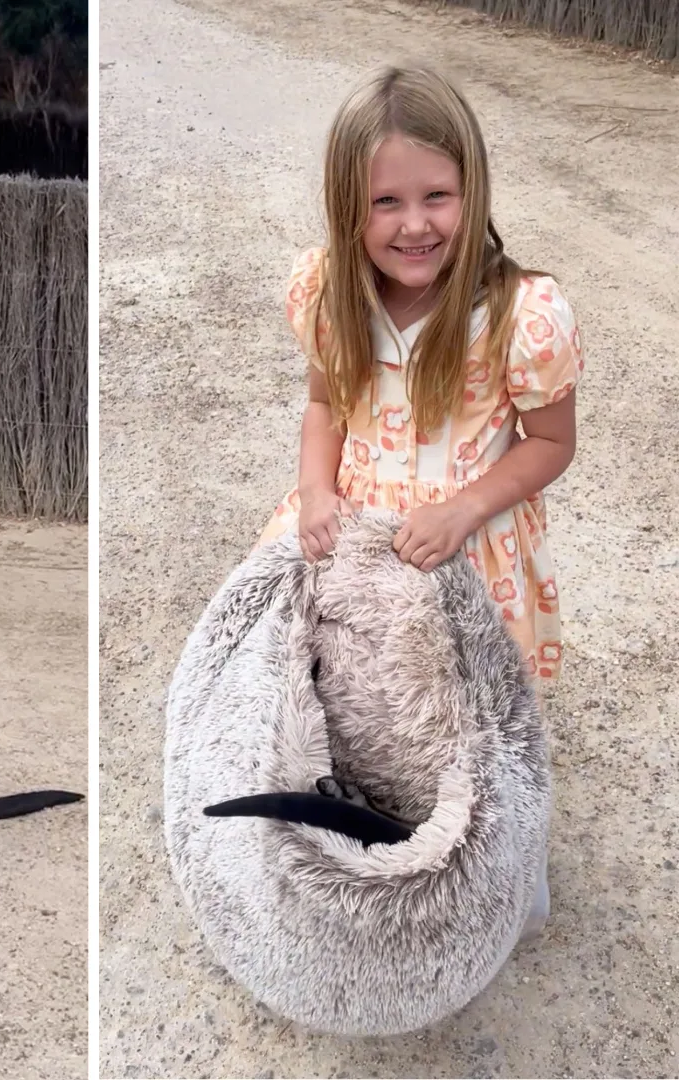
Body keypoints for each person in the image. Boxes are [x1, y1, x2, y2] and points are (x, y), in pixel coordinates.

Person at [259, 65, 581, 936]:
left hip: (466, 552)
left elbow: (552, 443)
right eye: (385, 203)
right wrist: (317, 490)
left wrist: (467, 507)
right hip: (356, 538)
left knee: (472, 719)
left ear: (471, 187)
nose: (413, 225)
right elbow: (326, 405)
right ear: (346, 206)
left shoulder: (520, 316)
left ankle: (495, 876)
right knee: (355, 698)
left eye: (437, 195)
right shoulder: (330, 292)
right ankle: (368, 857)